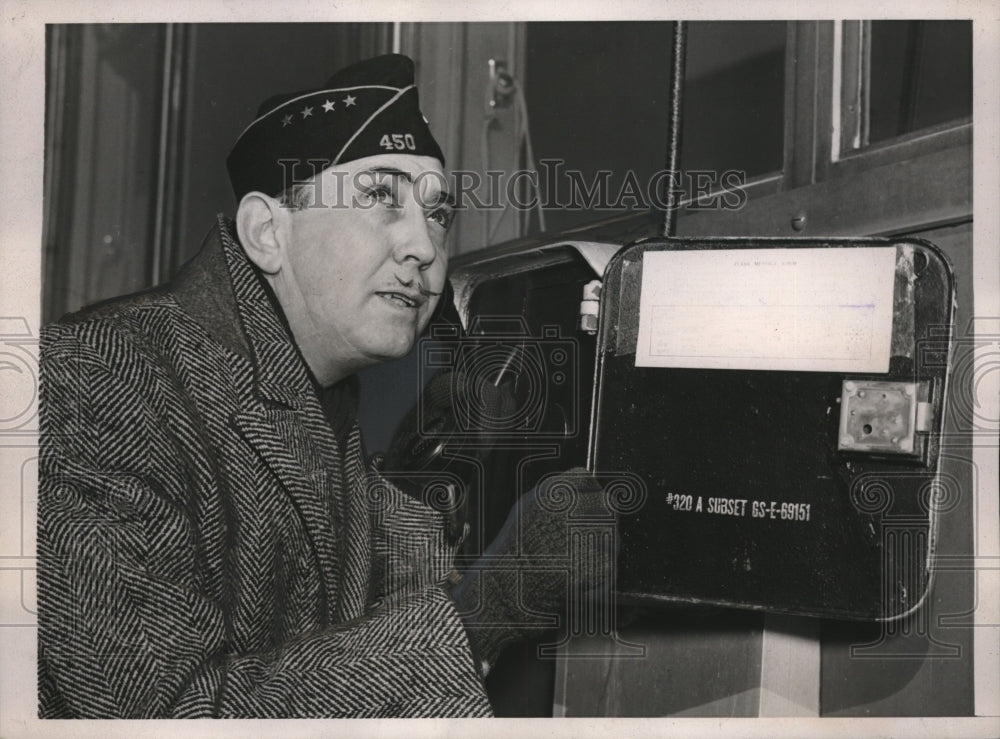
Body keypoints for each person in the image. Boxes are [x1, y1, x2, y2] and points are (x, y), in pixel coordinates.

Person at [37, 54, 613, 719]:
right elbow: (169, 715)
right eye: (378, 196)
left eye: (438, 214)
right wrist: (492, 601)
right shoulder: (94, 378)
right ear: (266, 232)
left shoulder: (324, 406)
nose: (424, 247)